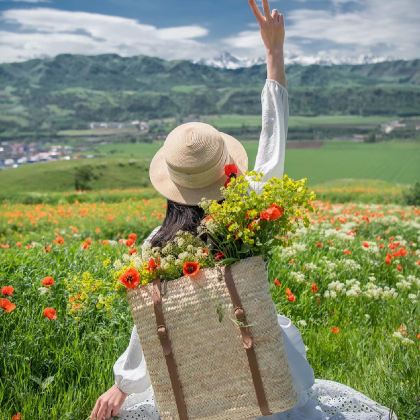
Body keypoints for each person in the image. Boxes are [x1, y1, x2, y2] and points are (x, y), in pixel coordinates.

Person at [90, 1, 398, 419]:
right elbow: (273, 142)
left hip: (201, 387)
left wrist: (123, 386)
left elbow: (149, 322)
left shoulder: (158, 245)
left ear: (171, 183)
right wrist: (274, 54)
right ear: (227, 169)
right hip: (264, 375)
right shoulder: (246, 214)